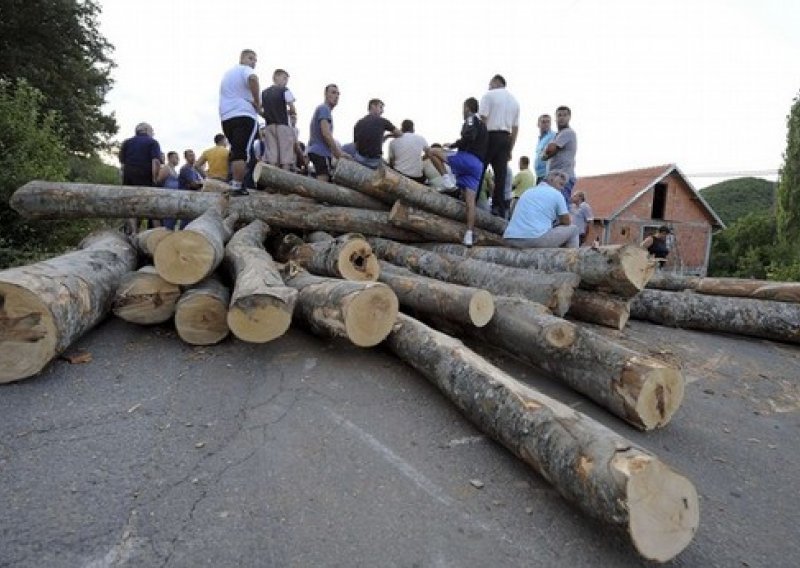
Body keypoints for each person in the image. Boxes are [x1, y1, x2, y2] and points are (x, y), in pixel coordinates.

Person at [426, 97, 488, 247]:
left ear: (467, 107)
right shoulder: (485, 127)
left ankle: (446, 179)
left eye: (463, 108)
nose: (462, 112)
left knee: (432, 151)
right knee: (470, 203)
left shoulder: (472, 119)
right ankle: (468, 234)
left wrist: (453, 144)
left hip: (468, 159)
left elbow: (469, 136)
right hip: (478, 165)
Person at [218, 49, 261, 196]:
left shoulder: (228, 74)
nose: (253, 62)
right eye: (251, 58)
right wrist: (257, 102)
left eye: (255, 60)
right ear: (242, 58)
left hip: (226, 117)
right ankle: (238, 185)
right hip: (243, 115)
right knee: (242, 152)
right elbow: (253, 79)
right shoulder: (245, 70)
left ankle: (235, 183)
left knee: (236, 150)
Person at [503, 169, 579, 249]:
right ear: (551, 179)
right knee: (574, 230)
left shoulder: (528, 191)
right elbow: (566, 221)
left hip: (510, 238)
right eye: (561, 185)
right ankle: (573, 260)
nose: (562, 189)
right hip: (533, 239)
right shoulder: (557, 194)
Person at [478, 74, 520, 220]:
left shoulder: (489, 95)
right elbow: (515, 128)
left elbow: (482, 118)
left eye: (490, 83)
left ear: (496, 82)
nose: (488, 86)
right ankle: (498, 208)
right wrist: (510, 149)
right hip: (505, 138)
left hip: (489, 135)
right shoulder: (514, 101)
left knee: (480, 169)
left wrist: (478, 140)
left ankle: (474, 199)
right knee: (500, 176)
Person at [119, 122, 161, 234]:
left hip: (129, 175)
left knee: (131, 203)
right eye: (152, 131)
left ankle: (133, 231)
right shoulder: (152, 142)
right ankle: (157, 233)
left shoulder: (126, 143)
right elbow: (156, 162)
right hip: (145, 174)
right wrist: (155, 179)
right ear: (147, 130)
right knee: (151, 203)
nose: (153, 133)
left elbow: (122, 164)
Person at [307, 84, 349, 182]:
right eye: (333, 92)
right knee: (323, 183)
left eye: (338, 94)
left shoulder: (323, 109)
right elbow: (326, 133)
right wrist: (338, 153)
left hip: (316, 150)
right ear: (325, 94)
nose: (336, 96)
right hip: (321, 152)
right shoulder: (324, 109)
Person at [261, 68, 297, 170]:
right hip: (282, 124)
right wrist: (292, 113)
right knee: (286, 155)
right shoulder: (284, 90)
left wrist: (266, 115)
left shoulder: (264, 93)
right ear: (276, 77)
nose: (286, 82)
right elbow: (291, 106)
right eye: (284, 78)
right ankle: (284, 178)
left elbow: (259, 108)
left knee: (272, 155)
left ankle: (272, 179)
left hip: (269, 125)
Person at [352, 98, 403, 169]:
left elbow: (356, 144)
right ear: (373, 106)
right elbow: (399, 134)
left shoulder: (358, 123)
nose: (382, 111)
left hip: (359, 159)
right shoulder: (382, 121)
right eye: (381, 107)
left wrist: (386, 136)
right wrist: (390, 135)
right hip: (374, 161)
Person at [542, 106, 577, 204]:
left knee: (560, 209)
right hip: (553, 178)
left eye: (565, 115)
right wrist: (547, 152)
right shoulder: (557, 135)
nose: (562, 118)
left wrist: (548, 151)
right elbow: (544, 155)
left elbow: (549, 151)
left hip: (563, 177)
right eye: (559, 115)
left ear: (569, 117)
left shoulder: (567, 133)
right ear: (555, 118)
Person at [388, 119, 429, 183]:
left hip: (400, 174)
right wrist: (420, 159)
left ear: (401, 128)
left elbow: (391, 162)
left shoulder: (393, 142)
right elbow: (429, 154)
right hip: (417, 177)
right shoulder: (420, 138)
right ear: (413, 128)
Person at [157, 151, 181, 230]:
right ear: (170, 158)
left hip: (174, 198)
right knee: (167, 220)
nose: (178, 159)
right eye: (176, 158)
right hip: (166, 197)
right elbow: (159, 180)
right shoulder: (166, 168)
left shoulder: (174, 170)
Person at [533, 114, 556, 183]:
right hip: (539, 175)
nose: (546, 124)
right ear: (538, 124)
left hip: (548, 175)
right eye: (543, 122)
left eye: (548, 122)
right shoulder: (540, 139)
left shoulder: (553, 135)